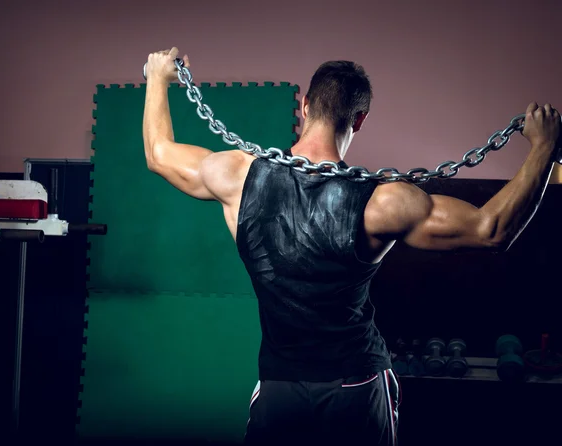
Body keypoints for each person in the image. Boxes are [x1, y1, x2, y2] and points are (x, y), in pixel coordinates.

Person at [142, 47, 561, 445]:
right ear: (359, 120)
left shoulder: (236, 176)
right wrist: (543, 147)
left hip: (279, 389)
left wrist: (158, 77)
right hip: (356, 388)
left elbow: (159, 154)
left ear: (305, 104)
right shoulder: (384, 202)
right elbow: (491, 229)